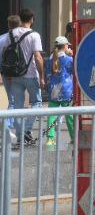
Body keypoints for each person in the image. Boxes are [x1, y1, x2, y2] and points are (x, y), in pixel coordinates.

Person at [2, 10, 44, 147]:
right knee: (37, 102)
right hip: (31, 74)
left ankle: (21, 136)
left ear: (20, 19)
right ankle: (26, 130)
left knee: (17, 106)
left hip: (15, 75)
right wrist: (42, 76)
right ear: (32, 19)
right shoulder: (34, 35)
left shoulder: (10, 34)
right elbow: (38, 57)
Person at [45, 36, 74, 145]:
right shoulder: (69, 59)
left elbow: (48, 74)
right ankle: (74, 137)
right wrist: (73, 56)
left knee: (52, 115)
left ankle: (50, 139)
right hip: (66, 90)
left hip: (54, 89)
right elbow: (74, 71)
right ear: (65, 46)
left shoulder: (50, 59)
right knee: (69, 115)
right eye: (68, 45)